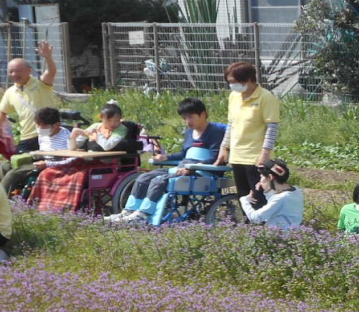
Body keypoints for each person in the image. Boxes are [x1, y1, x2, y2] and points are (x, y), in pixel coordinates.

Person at [106, 98, 227, 223]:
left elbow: (215, 157)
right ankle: (129, 211)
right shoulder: (189, 133)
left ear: (203, 114)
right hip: (183, 167)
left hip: (203, 172)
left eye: (190, 117)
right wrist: (166, 157)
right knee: (144, 178)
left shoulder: (216, 132)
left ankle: (143, 214)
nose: (187, 121)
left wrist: (193, 167)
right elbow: (183, 155)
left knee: (159, 180)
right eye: (184, 118)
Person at [28, 102, 128, 212]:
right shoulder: (95, 126)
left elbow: (107, 146)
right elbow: (76, 146)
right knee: (49, 173)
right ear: (101, 118)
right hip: (88, 160)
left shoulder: (121, 129)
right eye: (110, 120)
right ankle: (47, 206)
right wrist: (74, 135)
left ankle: (68, 207)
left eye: (117, 120)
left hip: (108, 162)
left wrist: (97, 134)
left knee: (77, 176)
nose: (114, 124)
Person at [217, 62, 281, 212]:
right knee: (244, 198)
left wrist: (265, 154)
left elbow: (272, 128)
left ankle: (263, 230)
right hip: (237, 156)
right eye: (230, 82)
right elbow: (231, 125)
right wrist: (224, 147)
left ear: (249, 79)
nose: (232, 85)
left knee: (258, 197)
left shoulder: (265, 97)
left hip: (255, 157)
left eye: (234, 81)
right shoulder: (234, 97)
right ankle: (248, 228)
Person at [0, 40, 59, 154]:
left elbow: (51, 72)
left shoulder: (41, 83)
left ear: (29, 70)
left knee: (49, 162)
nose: (14, 74)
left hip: (48, 133)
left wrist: (48, 57)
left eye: (18, 71)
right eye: (11, 72)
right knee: (19, 163)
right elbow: (1, 113)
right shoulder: (10, 92)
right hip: (27, 137)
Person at [1, 107, 73, 194]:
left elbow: (71, 160)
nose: (39, 129)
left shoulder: (68, 138)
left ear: (57, 125)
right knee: (5, 166)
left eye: (42, 127)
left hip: (52, 164)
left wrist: (47, 164)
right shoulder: (44, 134)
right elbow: (43, 149)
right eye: (37, 126)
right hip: (41, 159)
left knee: (12, 174)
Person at [243, 159, 303, 229]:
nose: (260, 181)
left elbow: (255, 218)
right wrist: (267, 190)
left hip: (279, 236)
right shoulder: (296, 191)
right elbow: (274, 203)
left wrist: (244, 200)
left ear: (271, 177)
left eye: (261, 177)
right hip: (293, 233)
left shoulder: (280, 198)